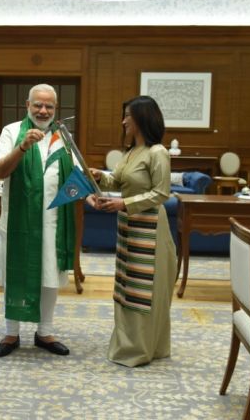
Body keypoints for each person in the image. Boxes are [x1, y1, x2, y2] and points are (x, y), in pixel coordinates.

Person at [88, 95, 178, 367]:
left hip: (150, 228)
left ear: (141, 118)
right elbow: (118, 180)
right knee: (127, 286)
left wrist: (123, 203)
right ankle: (128, 343)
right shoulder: (130, 153)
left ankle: (143, 347)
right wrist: (100, 175)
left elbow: (161, 193)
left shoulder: (157, 152)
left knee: (144, 289)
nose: (123, 120)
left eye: (128, 115)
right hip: (128, 225)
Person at [0, 83, 75, 358]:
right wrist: (23, 146)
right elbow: (0, 170)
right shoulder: (12, 131)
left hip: (53, 222)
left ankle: (45, 332)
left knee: (50, 275)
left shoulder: (62, 136)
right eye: (38, 104)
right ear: (28, 105)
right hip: (19, 221)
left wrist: (89, 189)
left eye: (49, 106)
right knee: (15, 270)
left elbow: (72, 177)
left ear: (55, 109)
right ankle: (11, 332)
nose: (43, 110)